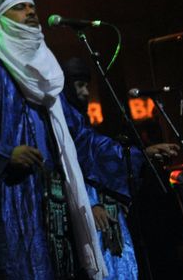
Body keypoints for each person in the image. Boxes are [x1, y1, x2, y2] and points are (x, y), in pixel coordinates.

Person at [0, 0, 177, 280]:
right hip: (9, 209)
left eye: (32, 6)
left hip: (59, 218)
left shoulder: (49, 84)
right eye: (20, 7)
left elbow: (82, 141)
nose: (32, 11)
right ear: (0, 20)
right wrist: (4, 154)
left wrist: (136, 156)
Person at [62, 57, 138, 280]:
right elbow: (70, 168)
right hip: (83, 214)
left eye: (87, 86)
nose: (86, 93)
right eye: (80, 86)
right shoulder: (63, 124)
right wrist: (90, 203)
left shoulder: (80, 122)